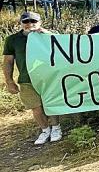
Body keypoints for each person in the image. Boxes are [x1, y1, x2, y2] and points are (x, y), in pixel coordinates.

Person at [3, 12, 61, 145]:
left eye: (33, 21)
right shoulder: (13, 40)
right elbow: (8, 61)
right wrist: (9, 81)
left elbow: (63, 45)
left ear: (40, 22)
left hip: (48, 77)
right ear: (21, 23)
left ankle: (56, 128)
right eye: (26, 21)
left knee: (50, 103)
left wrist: (45, 33)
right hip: (26, 79)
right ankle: (45, 130)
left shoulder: (48, 35)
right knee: (36, 107)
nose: (30, 24)